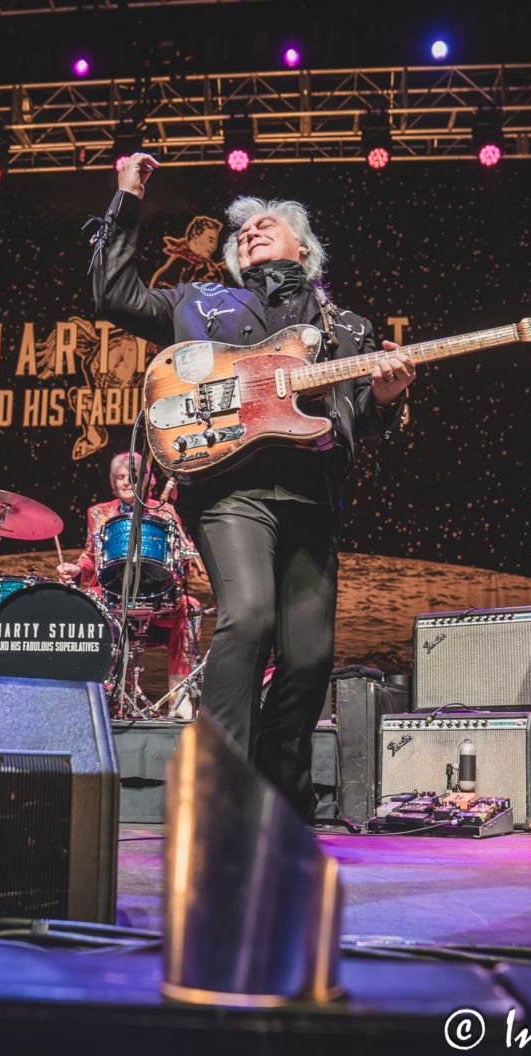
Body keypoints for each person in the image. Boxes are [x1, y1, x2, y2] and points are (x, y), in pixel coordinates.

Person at [89, 153, 413, 818]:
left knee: (309, 659)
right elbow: (111, 294)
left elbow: (369, 426)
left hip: (312, 499)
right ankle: (214, 788)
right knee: (250, 616)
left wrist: (385, 398)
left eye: (267, 225)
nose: (250, 233)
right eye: (242, 232)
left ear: (305, 247)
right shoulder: (198, 304)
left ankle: (277, 800)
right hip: (229, 493)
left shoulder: (346, 328)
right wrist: (126, 197)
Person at [57, 451, 200, 710]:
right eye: (120, 477)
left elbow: (179, 567)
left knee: (190, 607)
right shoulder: (98, 513)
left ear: (147, 480)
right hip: (111, 597)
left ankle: (180, 698)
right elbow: (90, 557)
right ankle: (98, 694)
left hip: (155, 599)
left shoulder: (167, 512)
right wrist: (76, 569)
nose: (126, 482)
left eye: (132, 476)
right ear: (113, 482)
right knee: (85, 604)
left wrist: (182, 560)